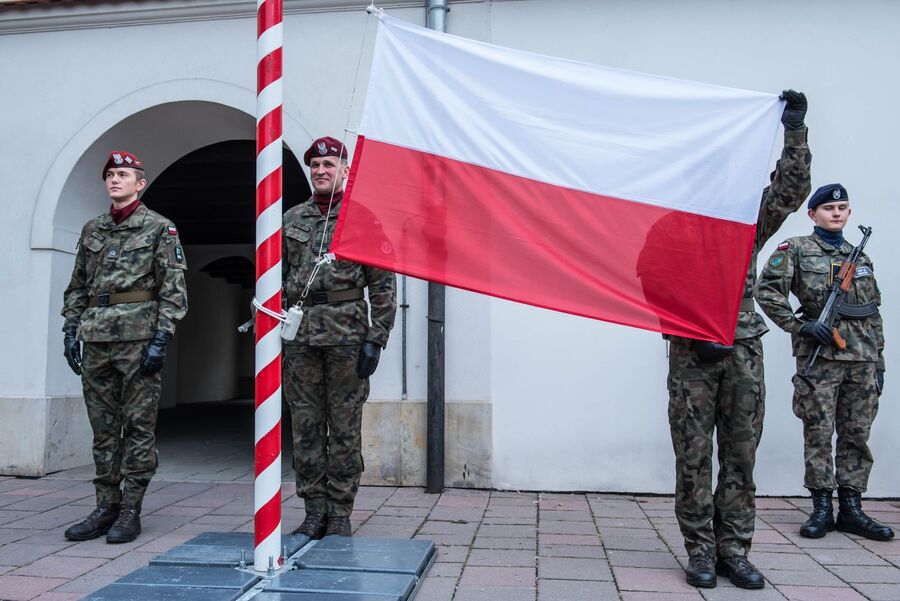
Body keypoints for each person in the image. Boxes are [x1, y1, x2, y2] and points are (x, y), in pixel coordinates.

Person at [666, 91, 811, 589]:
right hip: (693, 355)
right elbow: (650, 283)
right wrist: (690, 328)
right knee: (693, 455)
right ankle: (701, 551)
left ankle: (735, 550)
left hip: (744, 349)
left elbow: (791, 192)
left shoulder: (744, 221)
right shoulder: (670, 227)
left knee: (741, 453)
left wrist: (795, 131)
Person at [61, 150, 188, 544]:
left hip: (138, 340)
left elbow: (174, 288)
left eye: (124, 174)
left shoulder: (159, 228)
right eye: (111, 174)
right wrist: (71, 329)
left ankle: (131, 508)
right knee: (102, 429)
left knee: (137, 427)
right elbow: (79, 285)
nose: (116, 179)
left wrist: (162, 337)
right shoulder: (92, 230)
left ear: (140, 183)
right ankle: (105, 506)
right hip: (96, 338)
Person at [757, 184, 892, 542]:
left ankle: (851, 507)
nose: (837, 213)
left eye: (843, 207)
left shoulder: (858, 256)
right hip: (820, 360)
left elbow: (872, 314)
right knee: (818, 434)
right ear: (812, 214)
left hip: (861, 358)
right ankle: (821, 508)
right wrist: (800, 326)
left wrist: (879, 361)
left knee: (857, 434)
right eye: (829, 208)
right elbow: (767, 291)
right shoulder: (796, 250)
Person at [282, 136, 396, 538]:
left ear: (345, 170)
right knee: (306, 425)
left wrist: (376, 338)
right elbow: (277, 279)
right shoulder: (292, 219)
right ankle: (314, 510)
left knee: (344, 426)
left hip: (348, 335)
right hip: (301, 337)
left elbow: (383, 284)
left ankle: (341, 511)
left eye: (329, 164)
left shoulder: (361, 218)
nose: (321, 170)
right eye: (315, 165)